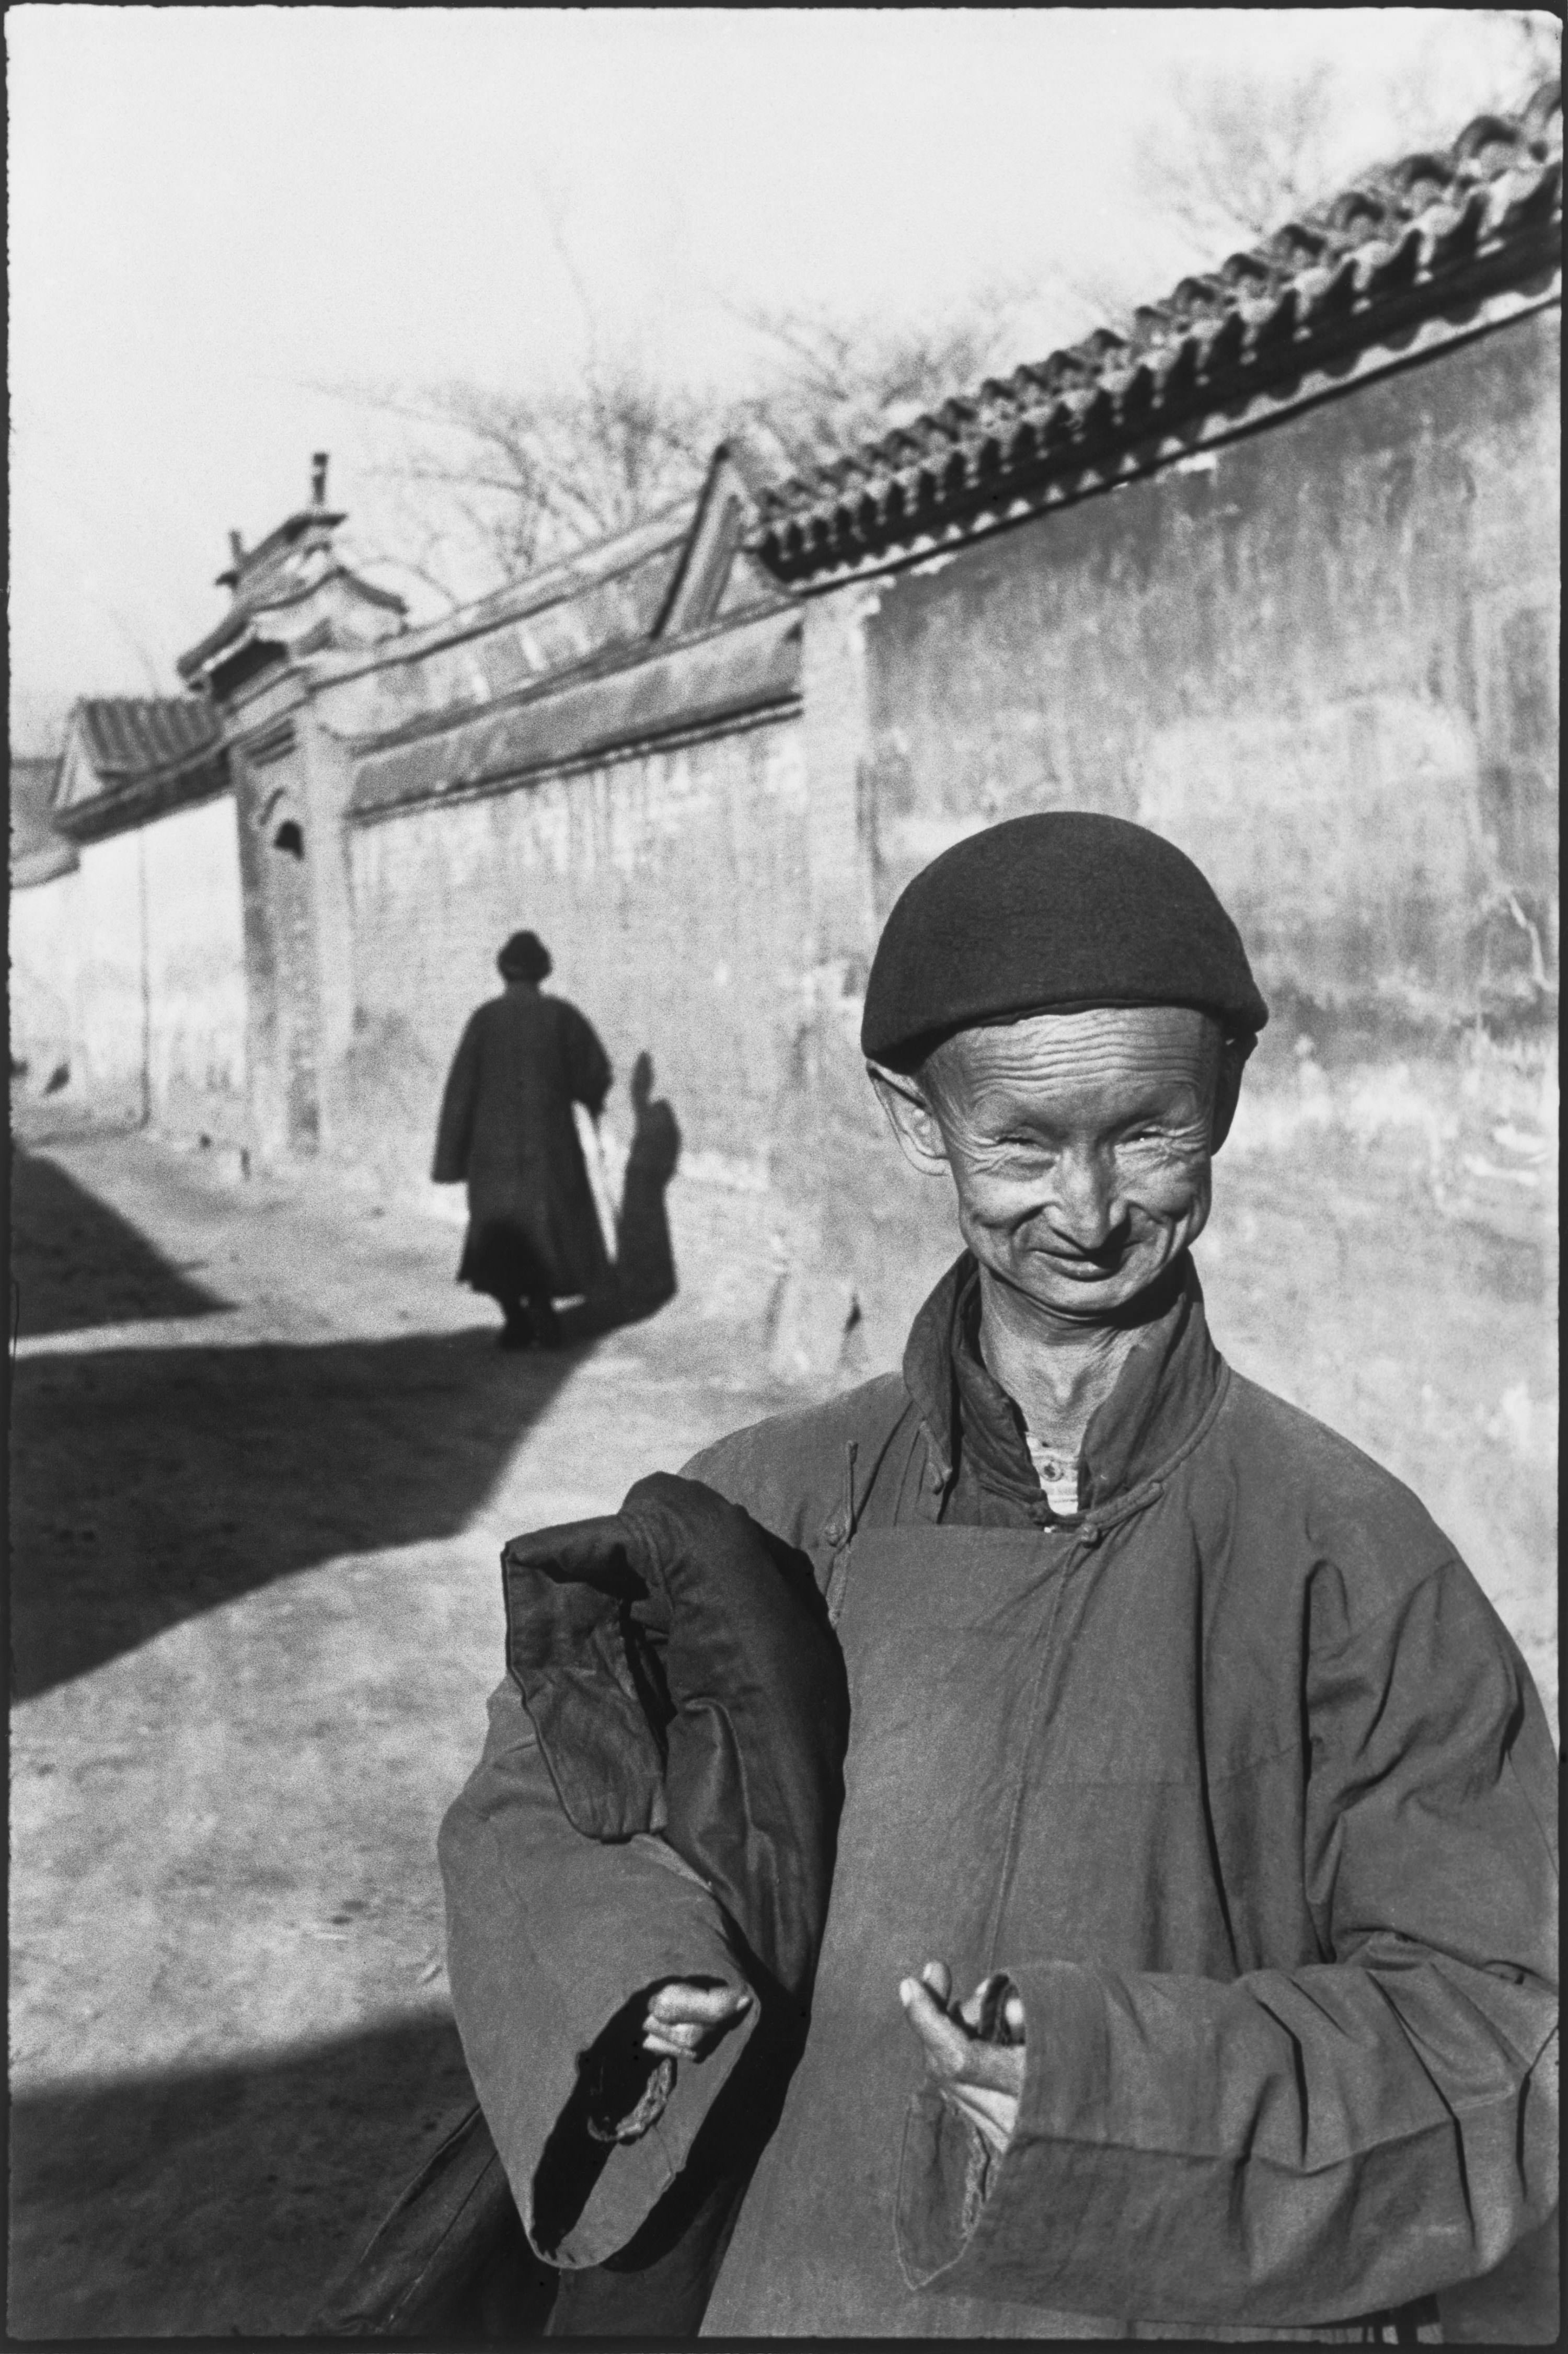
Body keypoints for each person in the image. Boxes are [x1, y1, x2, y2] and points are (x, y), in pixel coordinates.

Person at [439, 815, 1557, 2338]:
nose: (1089, 1210)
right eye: (1022, 1143)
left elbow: (1499, 2022)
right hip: (785, 2283)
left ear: (1224, 1096)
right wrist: (638, 1970)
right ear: (917, 1121)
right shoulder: (766, 1508)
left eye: (1150, 1132)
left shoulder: (1347, 1560)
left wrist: (1111, 2092)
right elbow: (542, 1790)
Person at [433, 931, 612, 1349]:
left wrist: (451, 1160)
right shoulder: (561, 1017)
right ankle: (542, 1307)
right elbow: (594, 1074)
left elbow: (460, 1093)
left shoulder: (484, 1020)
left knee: (500, 1237)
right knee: (546, 1229)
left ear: (503, 972)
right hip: (547, 1153)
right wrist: (589, 1098)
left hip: (491, 1157)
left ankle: (516, 1315)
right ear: (543, 972)